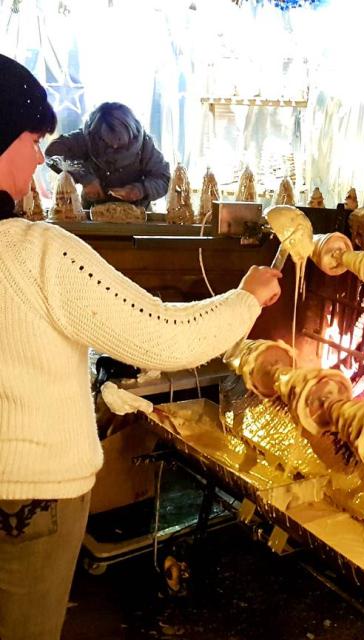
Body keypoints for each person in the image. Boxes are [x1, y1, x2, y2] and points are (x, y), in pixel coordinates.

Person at [0, 54, 282, 640]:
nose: (38, 156)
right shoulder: (36, 252)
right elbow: (163, 336)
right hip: (27, 507)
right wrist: (246, 299)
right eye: (30, 139)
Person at [45, 101, 170, 209]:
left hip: (138, 215)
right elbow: (52, 153)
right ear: (97, 133)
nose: (114, 146)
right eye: (106, 143)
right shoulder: (88, 137)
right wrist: (85, 178)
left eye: (120, 142)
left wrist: (141, 189)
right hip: (93, 213)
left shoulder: (145, 145)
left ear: (131, 132)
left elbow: (164, 178)